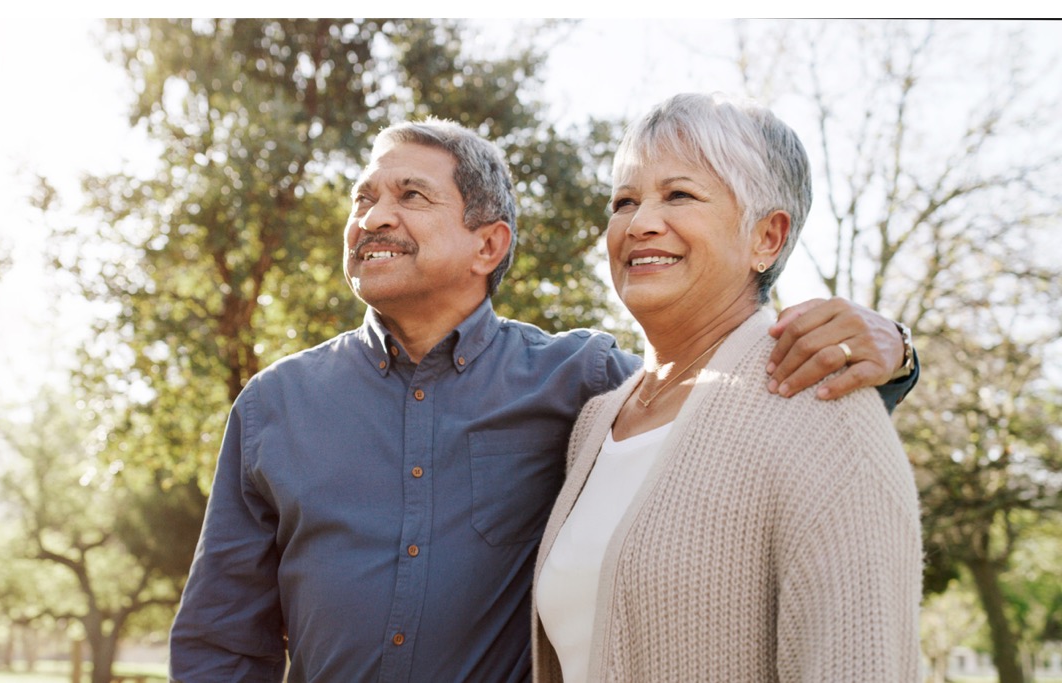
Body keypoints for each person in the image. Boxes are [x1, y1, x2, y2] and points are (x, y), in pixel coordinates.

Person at [169, 117, 918, 682]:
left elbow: (731, 409)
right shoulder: (274, 405)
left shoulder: (585, 385)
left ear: (488, 246)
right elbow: (222, 640)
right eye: (363, 199)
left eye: (409, 195)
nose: (372, 217)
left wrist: (894, 352)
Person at [532, 93, 922, 682]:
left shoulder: (826, 410)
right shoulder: (596, 421)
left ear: (767, 237)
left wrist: (902, 349)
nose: (639, 224)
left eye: (679, 194)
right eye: (624, 201)